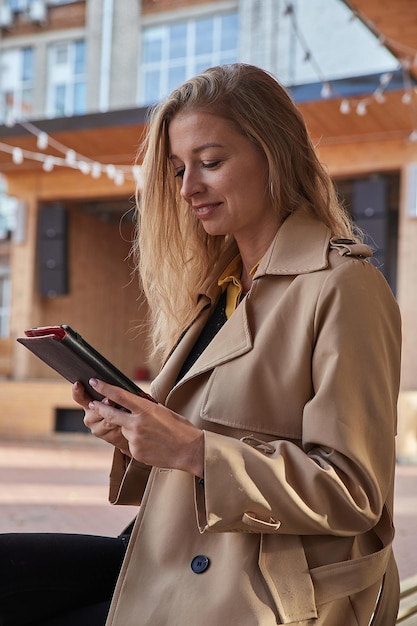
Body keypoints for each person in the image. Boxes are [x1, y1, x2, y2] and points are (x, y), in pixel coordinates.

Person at [0, 63, 401, 625]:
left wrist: (192, 449)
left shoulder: (344, 286)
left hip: (259, 585)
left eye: (210, 163)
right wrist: (136, 429)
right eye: (178, 169)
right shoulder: (222, 288)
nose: (188, 188)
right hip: (180, 553)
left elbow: (353, 491)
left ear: (275, 154)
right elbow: (203, 440)